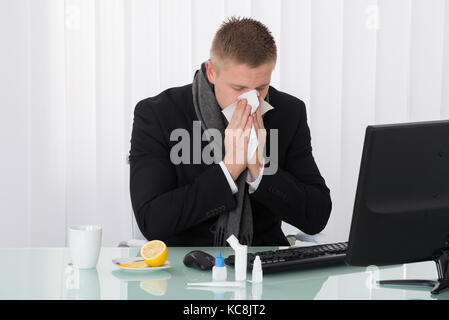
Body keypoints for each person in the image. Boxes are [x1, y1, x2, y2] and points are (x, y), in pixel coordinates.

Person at [129, 16, 331, 246]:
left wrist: (259, 167)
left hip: (263, 262)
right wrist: (231, 168)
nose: (252, 100)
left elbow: (316, 216)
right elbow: (152, 221)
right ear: (212, 71)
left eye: (261, 88)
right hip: (184, 263)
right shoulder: (159, 114)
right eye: (239, 88)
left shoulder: (288, 113)